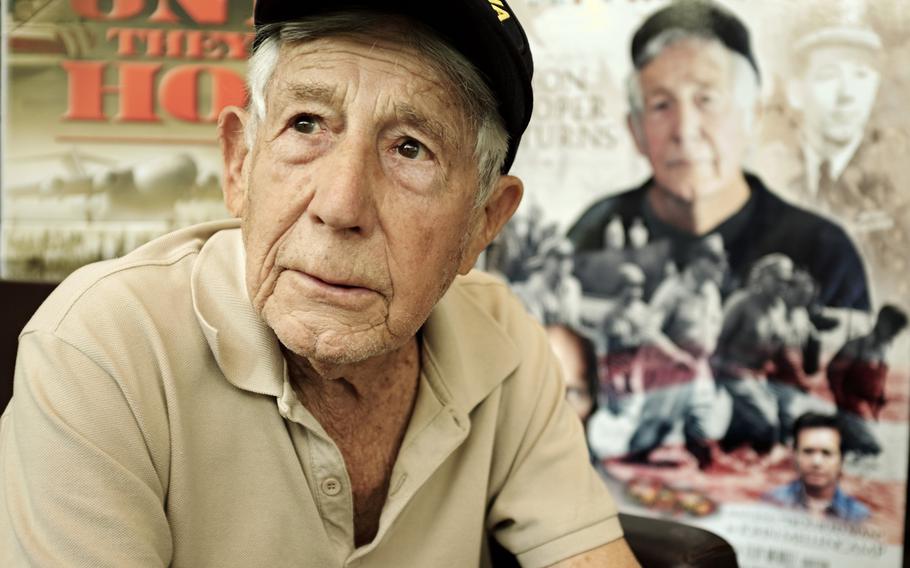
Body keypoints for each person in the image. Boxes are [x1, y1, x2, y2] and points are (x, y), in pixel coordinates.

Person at [0, 2, 639, 567]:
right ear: (240, 163)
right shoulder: (99, 348)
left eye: (411, 148)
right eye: (307, 124)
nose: (340, 205)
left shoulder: (506, 343)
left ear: (484, 222)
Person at [566, 0, 870, 310]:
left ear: (753, 116)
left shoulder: (822, 252)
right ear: (636, 130)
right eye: (660, 105)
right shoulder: (592, 235)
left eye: (706, 100)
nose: (684, 130)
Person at [625, 236, 726, 468]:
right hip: (670, 368)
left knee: (702, 422)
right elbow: (649, 331)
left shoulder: (712, 292)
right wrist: (677, 356)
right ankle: (632, 464)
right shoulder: (673, 289)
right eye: (714, 260)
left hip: (699, 367)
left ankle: (703, 461)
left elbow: (714, 325)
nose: (719, 266)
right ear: (698, 260)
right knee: (655, 426)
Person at [826, 304, 909, 456]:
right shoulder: (856, 346)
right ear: (882, 322)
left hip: (868, 410)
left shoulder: (884, 349)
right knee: (874, 448)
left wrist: (881, 398)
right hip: (851, 408)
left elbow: (879, 378)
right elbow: (833, 373)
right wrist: (841, 402)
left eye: (898, 331)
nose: (895, 335)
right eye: (894, 329)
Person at [763, 412, 869, 522]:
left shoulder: (858, 515)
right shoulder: (773, 501)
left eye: (826, 453)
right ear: (794, 455)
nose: (816, 462)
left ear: (841, 459)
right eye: (808, 451)